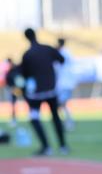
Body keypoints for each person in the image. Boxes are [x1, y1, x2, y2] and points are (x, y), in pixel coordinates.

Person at [19, 28, 69, 156]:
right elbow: (62, 60)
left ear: (26, 38)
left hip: (36, 94)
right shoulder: (47, 49)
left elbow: (25, 75)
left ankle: (46, 147)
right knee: (55, 117)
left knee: (34, 118)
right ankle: (63, 146)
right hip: (51, 90)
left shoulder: (27, 54)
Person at [55, 38, 77, 131]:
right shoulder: (68, 53)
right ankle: (68, 121)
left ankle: (69, 122)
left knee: (61, 104)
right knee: (62, 104)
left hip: (63, 83)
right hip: (66, 83)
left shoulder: (61, 53)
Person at [3, 58, 21, 127]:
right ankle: (14, 118)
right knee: (13, 104)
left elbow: (17, 79)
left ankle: (14, 119)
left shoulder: (14, 69)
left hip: (15, 89)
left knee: (14, 103)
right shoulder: (10, 70)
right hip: (12, 88)